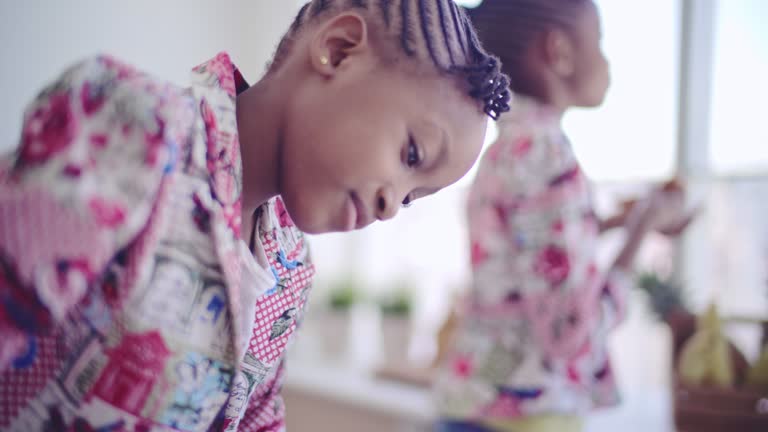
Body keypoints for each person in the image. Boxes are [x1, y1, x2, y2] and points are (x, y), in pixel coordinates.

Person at [0, 1, 510, 430]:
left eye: (410, 199)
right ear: (338, 50)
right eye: (412, 155)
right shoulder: (140, 124)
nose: (390, 205)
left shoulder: (289, 269)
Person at [433, 1, 691, 431]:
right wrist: (642, 229)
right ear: (559, 51)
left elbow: (528, 251)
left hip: (475, 399)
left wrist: (616, 224)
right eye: (601, 43)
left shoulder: (508, 151)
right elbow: (571, 333)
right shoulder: (549, 157)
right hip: (529, 417)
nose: (607, 63)